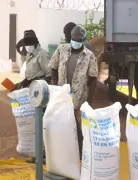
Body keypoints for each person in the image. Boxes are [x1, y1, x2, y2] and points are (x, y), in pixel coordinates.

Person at [50, 25, 98, 159]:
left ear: (83, 40)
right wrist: (55, 86)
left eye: (79, 40)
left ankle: (81, 152)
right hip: (62, 95)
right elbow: (53, 67)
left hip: (79, 97)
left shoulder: (89, 56)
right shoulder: (61, 50)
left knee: (79, 125)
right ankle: (62, 151)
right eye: (74, 39)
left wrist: (90, 101)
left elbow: (93, 79)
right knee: (61, 123)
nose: (75, 42)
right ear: (71, 38)